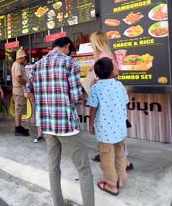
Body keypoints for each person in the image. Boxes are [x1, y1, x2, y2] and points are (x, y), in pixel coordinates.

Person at [25, 37, 94, 206]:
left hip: (47, 125)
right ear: (67, 46)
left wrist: (42, 102)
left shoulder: (37, 64)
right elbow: (76, 96)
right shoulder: (70, 63)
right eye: (71, 49)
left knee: (53, 167)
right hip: (66, 125)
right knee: (84, 169)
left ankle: (58, 203)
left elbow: (28, 89)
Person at [90, 31, 133, 171]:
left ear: (96, 42)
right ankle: (120, 160)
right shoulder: (106, 54)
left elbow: (115, 73)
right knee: (114, 133)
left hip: (107, 98)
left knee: (110, 132)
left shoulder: (104, 56)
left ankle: (125, 162)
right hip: (111, 98)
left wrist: (96, 79)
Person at [88, 57, 129, 196]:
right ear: (111, 72)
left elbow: (93, 108)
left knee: (107, 157)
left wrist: (91, 123)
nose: (117, 68)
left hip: (105, 131)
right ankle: (121, 180)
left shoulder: (95, 88)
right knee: (120, 154)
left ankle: (111, 185)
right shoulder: (119, 85)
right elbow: (125, 103)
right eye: (115, 67)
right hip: (120, 128)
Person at [12, 48, 30, 136]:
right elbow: (18, 79)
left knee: (19, 109)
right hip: (19, 91)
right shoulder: (17, 66)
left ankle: (19, 126)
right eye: (23, 58)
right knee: (19, 110)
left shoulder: (18, 65)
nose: (24, 59)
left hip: (18, 90)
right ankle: (18, 128)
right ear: (19, 58)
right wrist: (27, 82)